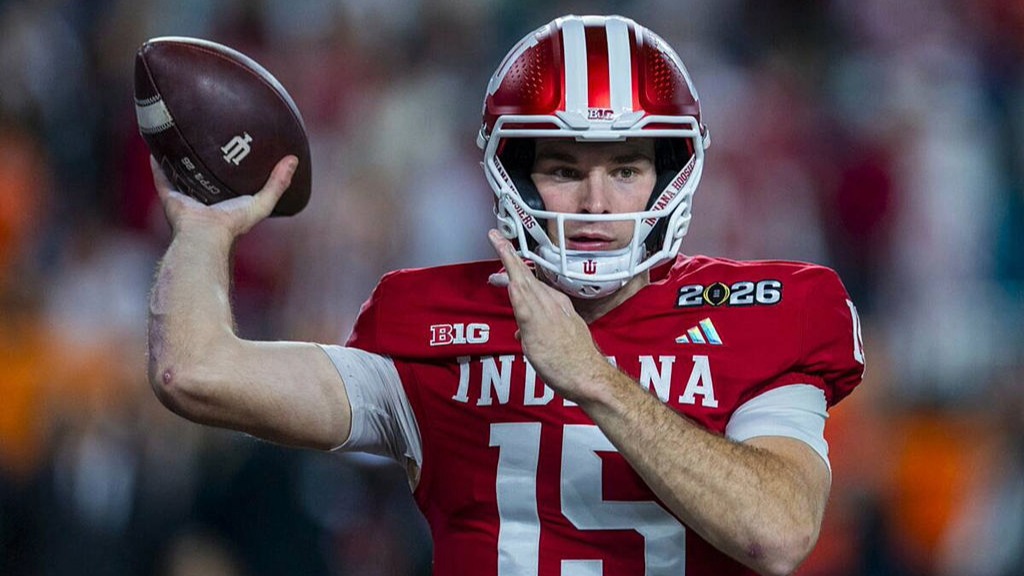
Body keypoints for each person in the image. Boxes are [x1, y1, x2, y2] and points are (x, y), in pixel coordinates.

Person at [147, 14, 865, 576]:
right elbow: (196, 372)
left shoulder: (765, 311)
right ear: (512, 176)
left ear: (671, 172)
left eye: (623, 169)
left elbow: (777, 533)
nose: (593, 201)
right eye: (561, 167)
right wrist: (204, 232)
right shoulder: (429, 326)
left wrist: (592, 378)